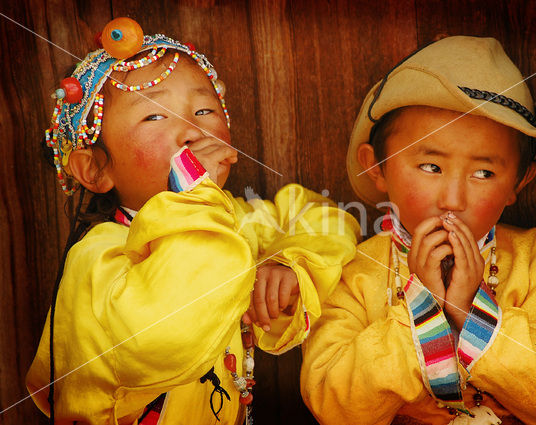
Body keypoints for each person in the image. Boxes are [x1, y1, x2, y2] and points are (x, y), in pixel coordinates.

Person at [26, 17, 359, 425]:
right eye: (153, 117)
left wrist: (289, 262)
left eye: (203, 110)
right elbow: (166, 334)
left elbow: (321, 217)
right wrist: (193, 196)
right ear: (94, 170)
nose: (191, 130)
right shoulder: (97, 258)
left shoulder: (236, 219)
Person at [300, 36, 536, 425]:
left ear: (519, 182)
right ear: (376, 167)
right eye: (431, 167)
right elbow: (332, 403)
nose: (453, 198)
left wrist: (470, 310)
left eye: (484, 173)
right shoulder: (355, 272)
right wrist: (423, 305)